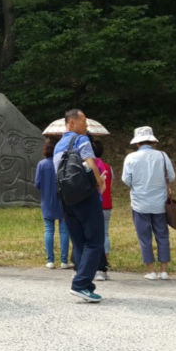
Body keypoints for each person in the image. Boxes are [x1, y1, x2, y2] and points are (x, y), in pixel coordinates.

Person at [53, 109, 106, 303]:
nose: (86, 125)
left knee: (79, 241)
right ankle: (80, 284)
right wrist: (100, 183)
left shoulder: (58, 145)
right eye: (83, 121)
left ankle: (85, 284)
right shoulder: (81, 140)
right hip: (85, 196)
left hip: (66, 197)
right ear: (72, 123)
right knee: (95, 240)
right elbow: (90, 163)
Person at [122, 126, 176, 280]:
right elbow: (171, 177)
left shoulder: (131, 158)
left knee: (144, 237)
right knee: (162, 236)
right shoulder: (162, 156)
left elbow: (126, 180)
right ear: (152, 141)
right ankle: (164, 270)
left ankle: (151, 270)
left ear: (137, 142)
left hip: (139, 203)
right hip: (160, 203)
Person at [35, 137, 70, 270]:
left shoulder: (41, 164)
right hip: (63, 200)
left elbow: (37, 183)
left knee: (49, 230)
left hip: (47, 201)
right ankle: (64, 261)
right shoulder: (63, 164)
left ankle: (50, 261)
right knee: (64, 231)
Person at [91, 138, 112, 281]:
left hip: (93, 204)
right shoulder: (108, 167)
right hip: (107, 203)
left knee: (92, 235)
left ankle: (94, 264)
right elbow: (110, 184)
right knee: (105, 233)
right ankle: (105, 259)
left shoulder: (89, 166)